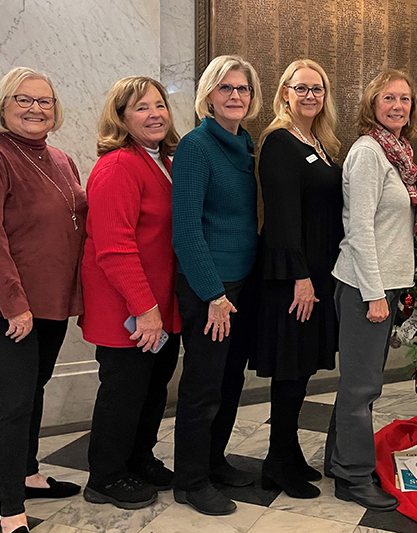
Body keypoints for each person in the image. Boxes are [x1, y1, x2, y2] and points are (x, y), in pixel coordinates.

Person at [0, 67, 86, 533]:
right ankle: (11, 512)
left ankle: (28, 474)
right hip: (7, 306)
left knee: (34, 390)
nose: (35, 109)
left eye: (44, 101)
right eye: (23, 100)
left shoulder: (61, 158)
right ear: (3, 104)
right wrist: (15, 304)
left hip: (50, 301)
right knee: (13, 402)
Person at [324, 69, 417, 511]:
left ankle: (339, 460)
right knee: (363, 386)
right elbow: (359, 229)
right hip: (362, 285)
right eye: (388, 98)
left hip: (385, 283)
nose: (397, 106)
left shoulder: (400, 154)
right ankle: (352, 477)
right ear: (372, 104)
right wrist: (372, 294)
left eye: (405, 99)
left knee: (359, 382)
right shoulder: (369, 153)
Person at [79, 77, 181, 510]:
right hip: (129, 307)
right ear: (120, 117)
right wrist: (145, 309)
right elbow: (115, 247)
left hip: (160, 305)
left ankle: (139, 457)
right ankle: (105, 476)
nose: (154, 114)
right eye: (141, 107)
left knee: (153, 388)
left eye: (159, 105)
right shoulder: (118, 166)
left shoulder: (164, 162)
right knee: (123, 391)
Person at [171, 55, 262, 516]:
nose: (235, 96)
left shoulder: (246, 145)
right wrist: (214, 294)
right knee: (203, 384)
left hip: (243, 282)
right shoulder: (196, 145)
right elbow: (186, 229)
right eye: (225, 88)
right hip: (211, 286)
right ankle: (190, 480)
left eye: (242, 89)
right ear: (209, 95)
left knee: (230, 380)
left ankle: (213, 459)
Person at [251, 59, 343, 499]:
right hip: (292, 275)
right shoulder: (279, 142)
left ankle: (287, 452)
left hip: (318, 271)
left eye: (318, 89)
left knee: (303, 368)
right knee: (291, 368)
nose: (310, 96)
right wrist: (300, 279)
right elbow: (284, 217)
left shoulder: (320, 142)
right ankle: (276, 463)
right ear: (285, 91)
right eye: (301, 88)